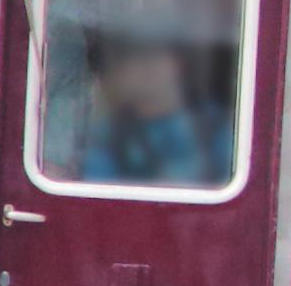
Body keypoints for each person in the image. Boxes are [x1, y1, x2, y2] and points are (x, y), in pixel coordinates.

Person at [76, 20, 234, 187]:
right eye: (134, 57)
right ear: (119, 73)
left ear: (178, 64)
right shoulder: (107, 136)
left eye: (158, 54)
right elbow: (100, 195)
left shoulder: (217, 125)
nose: (148, 65)